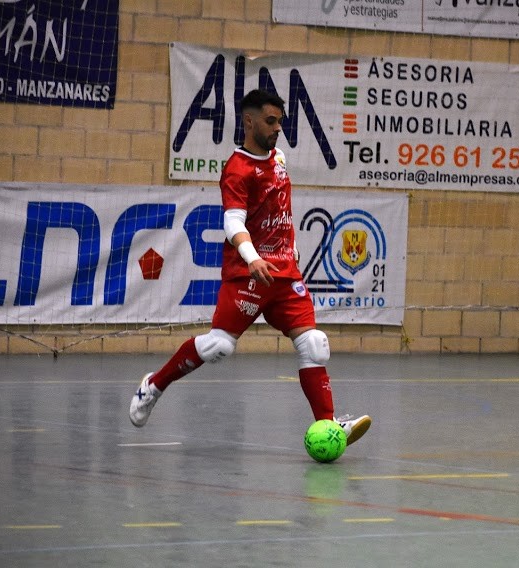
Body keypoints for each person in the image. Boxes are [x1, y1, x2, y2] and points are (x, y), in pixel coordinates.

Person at [129, 89, 372, 444]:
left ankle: (330, 424)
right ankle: (153, 386)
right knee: (218, 347)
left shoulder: (280, 158)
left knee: (314, 344)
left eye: (280, 122)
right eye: (270, 121)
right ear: (249, 121)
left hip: (286, 274)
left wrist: (291, 249)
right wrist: (253, 257)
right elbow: (233, 223)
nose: (277, 129)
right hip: (249, 273)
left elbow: (280, 211)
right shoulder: (237, 170)